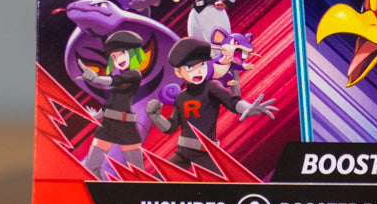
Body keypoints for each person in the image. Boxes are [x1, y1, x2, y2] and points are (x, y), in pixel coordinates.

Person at [146, 38, 276, 172]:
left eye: (202, 65)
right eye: (190, 67)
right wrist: (156, 117)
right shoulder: (180, 97)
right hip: (182, 153)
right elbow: (171, 127)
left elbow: (232, 101)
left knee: (224, 181)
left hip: (207, 153)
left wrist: (247, 107)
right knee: (158, 179)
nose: (198, 72)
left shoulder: (212, 86)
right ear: (179, 72)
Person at [76, 29, 148, 176]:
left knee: (138, 172)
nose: (118, 60)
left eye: (122, 53)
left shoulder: (134, 74)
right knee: (91, 168)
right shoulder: (120, 77)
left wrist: (95, 79)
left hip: (126, 125)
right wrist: (98, 115)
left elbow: (112, 81)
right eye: (114, 57)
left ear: (132, 52)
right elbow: (113, 100)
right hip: (107, 125)